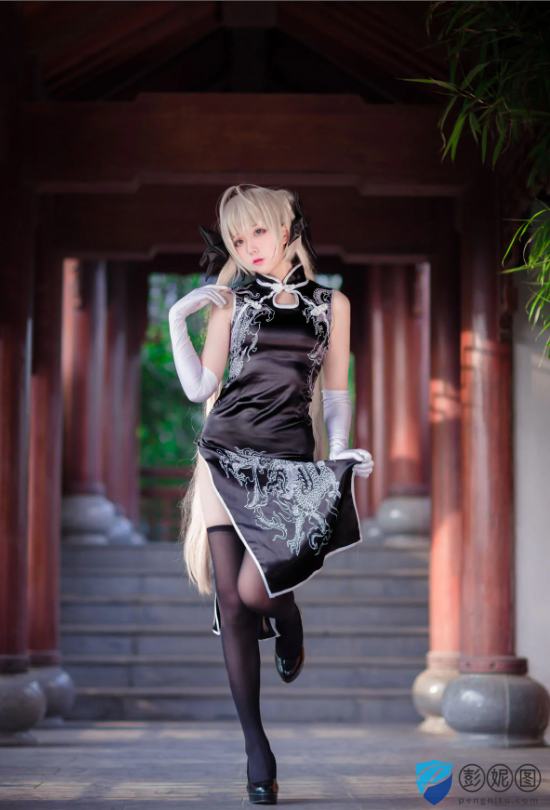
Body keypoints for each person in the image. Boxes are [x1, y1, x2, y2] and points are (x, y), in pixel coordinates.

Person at [168, 184, 374, 804]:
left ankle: (288, 619)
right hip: (222, 454)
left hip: (287, 459)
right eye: (238, 238)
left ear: (287, 228)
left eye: (258, 231)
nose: (249, 246)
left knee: (259, 592)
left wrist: (341, 450)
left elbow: (335, 392)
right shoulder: (231, 302)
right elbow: (199, 386)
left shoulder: (332, 305)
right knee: (232, 603)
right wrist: (178, 319)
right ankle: (256, 750)